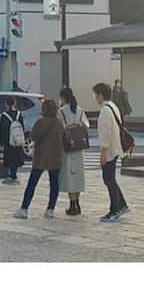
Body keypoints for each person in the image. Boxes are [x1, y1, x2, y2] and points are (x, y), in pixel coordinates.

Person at [14, 99, 66, 219]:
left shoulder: (40, 122)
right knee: (54, 184)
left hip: (41, 156)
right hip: (55, 156)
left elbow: (33, 136)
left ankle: (24, 208)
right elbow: (63, 136)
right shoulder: (59, 123)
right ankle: (50, 209)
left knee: (32, 183)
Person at [94, 82, 129, 222]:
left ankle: (115, 209)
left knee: (108, 179)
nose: (95, 97)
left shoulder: (105, 110)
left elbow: (105, 133)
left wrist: (102, 152)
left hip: (109, 150)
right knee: (110, 179)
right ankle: (122, 204)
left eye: (96, 94)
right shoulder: (113, 106)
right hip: (115, 148)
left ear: (101, 95)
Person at [58, 86, 89, 216]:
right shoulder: (79, 110)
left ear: (63, 98)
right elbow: (86, 124)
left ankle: (72, 205)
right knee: (78, 176)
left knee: (69, 176)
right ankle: (78, 203)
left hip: (67, 146)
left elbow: (59, 128)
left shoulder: (62, 111)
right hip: (79, 147)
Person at [0, 96, 25, 184]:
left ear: (6, 104)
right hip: (17, 139)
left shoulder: (4, 115)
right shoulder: (19, 114)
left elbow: (2, 130)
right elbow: (22, 127)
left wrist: (2, 142)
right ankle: (14, 174)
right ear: (14, 103)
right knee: (17, 157)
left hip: (8, 141)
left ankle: (11, 176)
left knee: (9, 158)